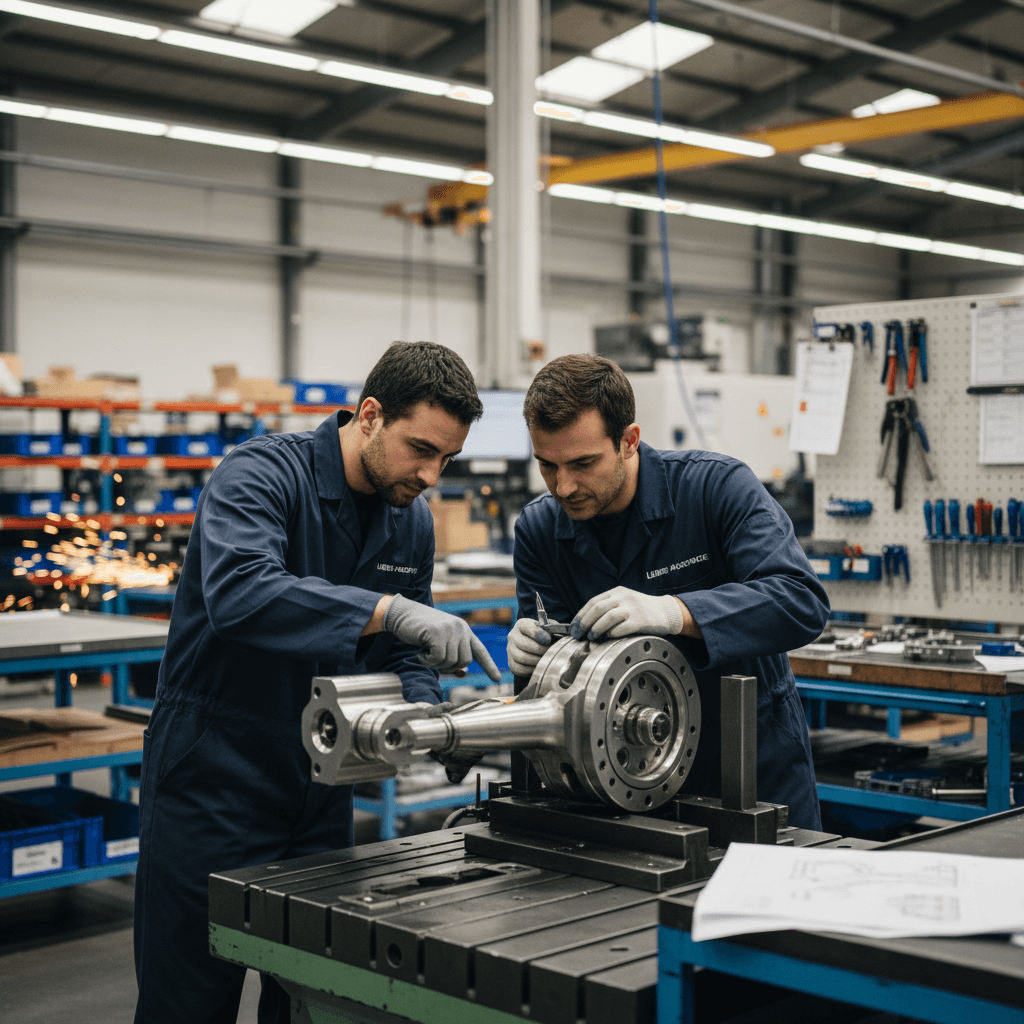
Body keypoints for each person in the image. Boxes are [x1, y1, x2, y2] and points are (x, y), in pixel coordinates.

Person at [134, 342, 501, 1024]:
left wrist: (433, 720)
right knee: (188, 1001)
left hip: (319, 789)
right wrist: (388, 609)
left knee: (309, 995)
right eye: (420, 448)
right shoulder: (261, 474)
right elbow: (242, 593)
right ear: (368, 415)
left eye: (446, 459)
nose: (431, 474)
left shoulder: (410, 520)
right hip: (212, 776)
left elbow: (401, 653)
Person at [507, 354, 829, 829]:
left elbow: (801, 600)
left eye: (583, 463)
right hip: (620, 787)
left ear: (629, 442)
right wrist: (531, 654)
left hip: (748, 776)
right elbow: (552, 687)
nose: (564, 486)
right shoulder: (539, 528)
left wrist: (675, 612)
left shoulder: (716, 489)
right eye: (547, 466)